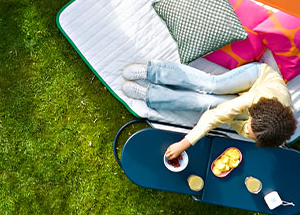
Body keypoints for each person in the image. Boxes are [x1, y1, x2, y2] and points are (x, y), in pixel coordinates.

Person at [122, 61, 296, 159]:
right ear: (256, 114)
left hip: (250, 106)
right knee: (212, 85)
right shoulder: (260, 99)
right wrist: (185, 143)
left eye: (252, 136)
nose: (249, 134)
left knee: (206, 103)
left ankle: (150, 95)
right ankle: (153, 72)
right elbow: (215, 116)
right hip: (258, 78)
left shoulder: (273, 135)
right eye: (250, 130)